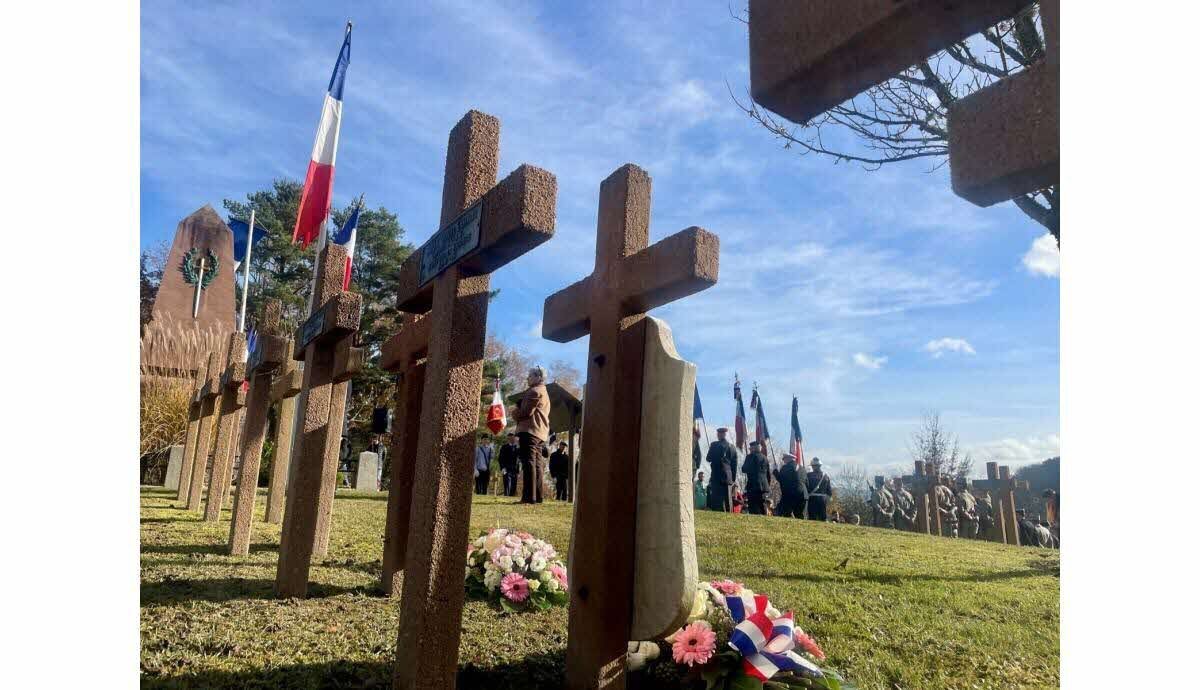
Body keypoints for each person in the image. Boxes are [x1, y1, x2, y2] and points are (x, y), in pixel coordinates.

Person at [514, 367, 550, 504]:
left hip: (530, 431)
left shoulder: (534, 391)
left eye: (529, 375)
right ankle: (537, 497)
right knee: (537, 465)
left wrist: (514, 411)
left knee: (529, 464)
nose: (527, 378)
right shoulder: (544, 392)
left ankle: (528, 498)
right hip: (540, 433)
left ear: (538, 377)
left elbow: (525, 413)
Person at [705, 427, 738, 512]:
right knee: (728, 499)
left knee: (717, 500)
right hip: (728, 477)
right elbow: (734, 465)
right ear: (725, 434)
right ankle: (729, 514)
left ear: (719, 434)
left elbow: (708, 458)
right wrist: (732, 479)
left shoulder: (714, 445)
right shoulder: (733, 447)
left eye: (718, 434)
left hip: (717, 475)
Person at [741, 441, 772, 515]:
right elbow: (768, 474)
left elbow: (744, 469)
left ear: (754, 448)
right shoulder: (765, 458)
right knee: (762, 504)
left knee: (753, 505)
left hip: (753, 485)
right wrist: (767, 485)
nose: (749, 450)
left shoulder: (750, 457)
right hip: (764, 486)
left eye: (750, 448)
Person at [773, 453, 807, 518]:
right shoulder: (802, 468)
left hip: (791, 494)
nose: (784, 461)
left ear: (788, 459)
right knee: (799, 515)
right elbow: (806, 482)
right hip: (803, 494)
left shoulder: (786, 467)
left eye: (784, 459)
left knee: (786, 513)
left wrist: (775, 471)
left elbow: (781, 480)